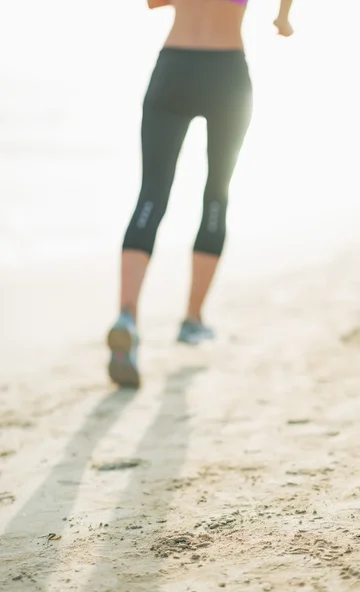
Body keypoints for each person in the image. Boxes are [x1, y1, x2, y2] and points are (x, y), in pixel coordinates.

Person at [107, 0, 294, 387]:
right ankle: (192, 320)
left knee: (151, 197)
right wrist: (283, 18)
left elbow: (153, 2)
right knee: (216, 196)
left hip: (174, 67)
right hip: (226, 72)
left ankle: (127, 316)